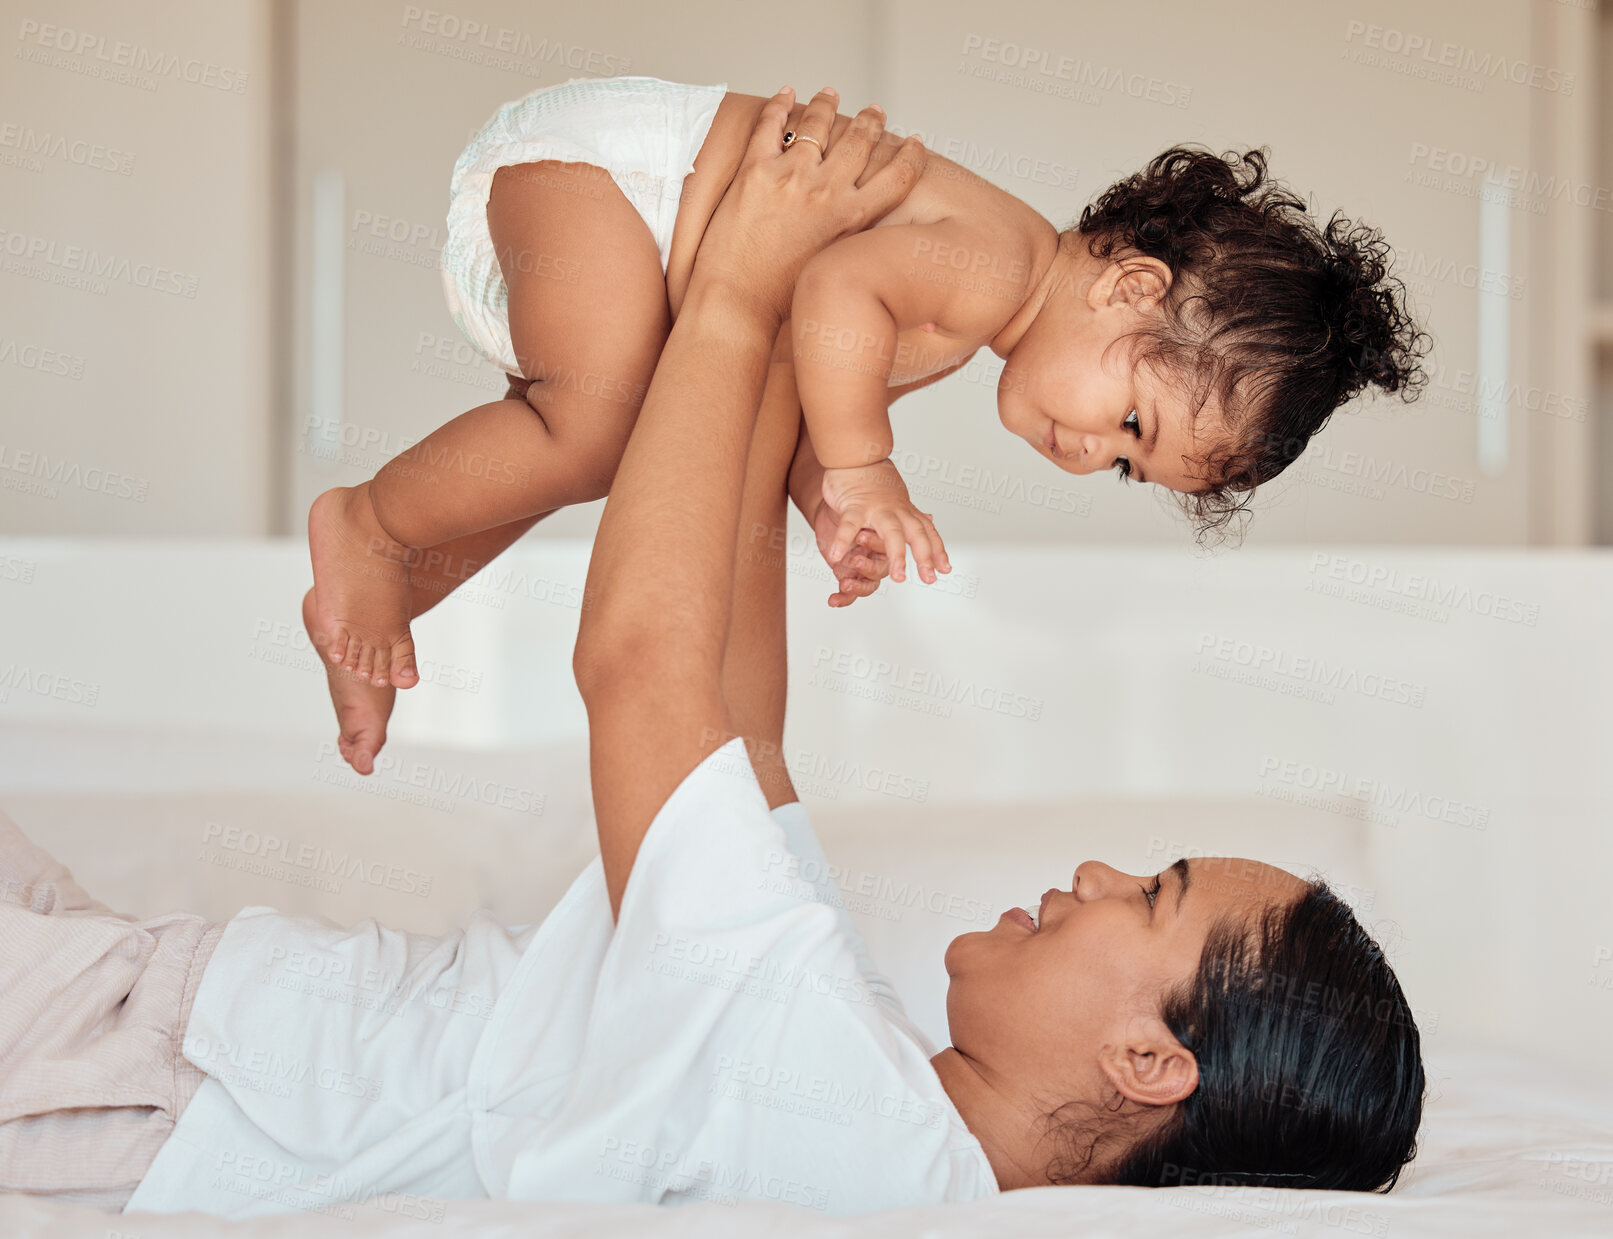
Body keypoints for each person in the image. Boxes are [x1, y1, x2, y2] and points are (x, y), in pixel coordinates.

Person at [1, 90, 1423, 1219]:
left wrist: (740, 290)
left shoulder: (847, 1115)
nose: (1100, 873)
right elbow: (736, 737)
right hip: (169, 1016)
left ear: (1150, 1060)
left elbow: (644, 669)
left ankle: (376, 525)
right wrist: (771, 376)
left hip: (160, 1070)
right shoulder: (873, 1081)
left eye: (1152, 895)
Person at [304, 73, 1432, 779]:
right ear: (1130, 288)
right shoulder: (992, 265)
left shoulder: (980, 314)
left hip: (619, 218)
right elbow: (831, 287)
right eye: (1130, 418)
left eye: (1128, 466)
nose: (1093, 454)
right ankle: (362, 524)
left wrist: (826, 498)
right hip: (606, 177)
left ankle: (393, 585)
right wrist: (870, 466)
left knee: (611, 447)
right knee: (594, 433)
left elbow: (793, 385)